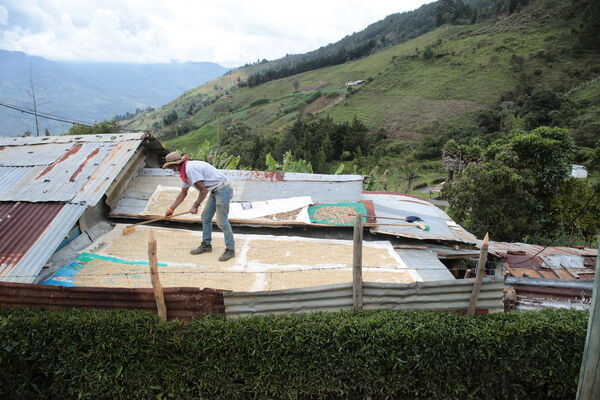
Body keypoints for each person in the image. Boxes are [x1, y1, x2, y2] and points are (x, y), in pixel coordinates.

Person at [162, 151, 235, 261]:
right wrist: (171, 209)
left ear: (176, 165)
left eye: (171, 167)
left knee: (222, 221)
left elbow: (203, 190)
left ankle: (230, 249)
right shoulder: (185, 172)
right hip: (215, 190)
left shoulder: (190, 169)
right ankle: (206, 245)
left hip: (223, 189)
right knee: (205, 217)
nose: (172, 170)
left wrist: (195, 205)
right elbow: (183, 194)